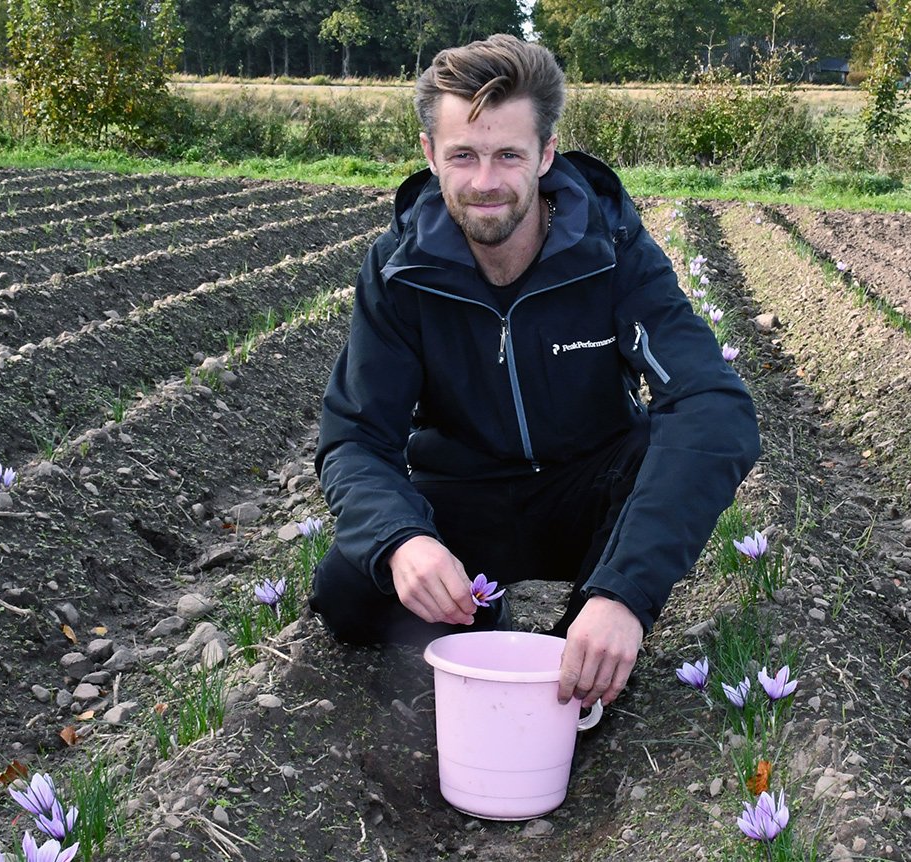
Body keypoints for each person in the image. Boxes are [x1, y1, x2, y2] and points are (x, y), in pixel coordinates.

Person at [309, 34, 759, 711]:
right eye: (463, 155)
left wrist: (623, 596)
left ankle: (588, 642)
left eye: (508, 155)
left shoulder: (610, 250)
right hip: (465, 495)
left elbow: (713, 406)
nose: (485, 182)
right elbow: (354, 438)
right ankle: (480, 628)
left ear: (545, 154)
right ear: (430, 155)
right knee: (347, 591)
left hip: (589, 492)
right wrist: (405, 542)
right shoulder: (399, 271)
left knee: (662, 447)